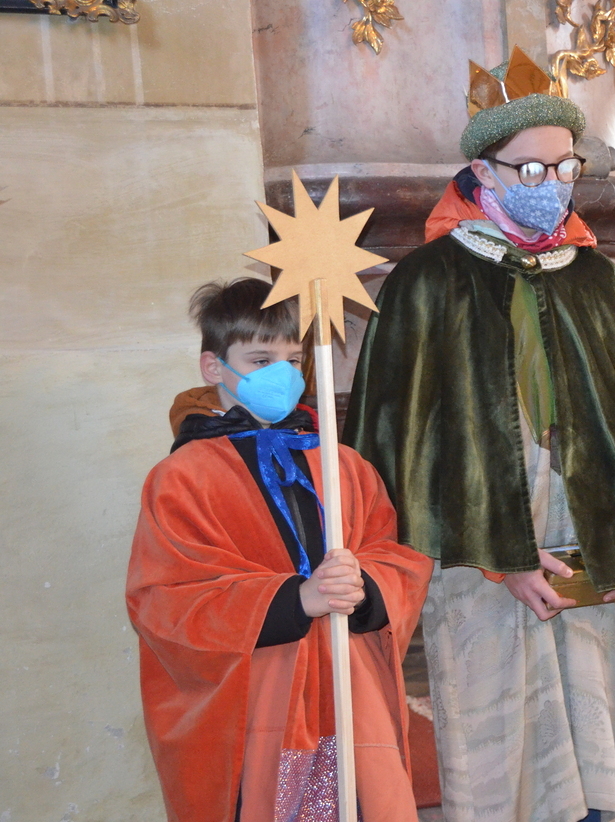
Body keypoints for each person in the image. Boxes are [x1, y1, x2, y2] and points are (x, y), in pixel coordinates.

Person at [343, 47, 615, 822]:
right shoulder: (427, 281)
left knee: (602, 750)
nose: (553, 185)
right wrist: (500, 553)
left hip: (590, 553)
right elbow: (405, 452)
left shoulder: (595, 280)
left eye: (565, 167)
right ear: (483, 173)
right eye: (532, 170)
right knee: (504, 764)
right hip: (476, 571)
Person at [127, 278, 433, 822]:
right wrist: (296, 599)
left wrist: (365, 588)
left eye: (294, 359)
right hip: (258, 698)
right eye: (261, 359)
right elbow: (165, 600)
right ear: (213, 366)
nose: (284, 374)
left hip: (351, 687)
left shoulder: (344, 466)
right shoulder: (182, 478)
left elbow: (395, 555)